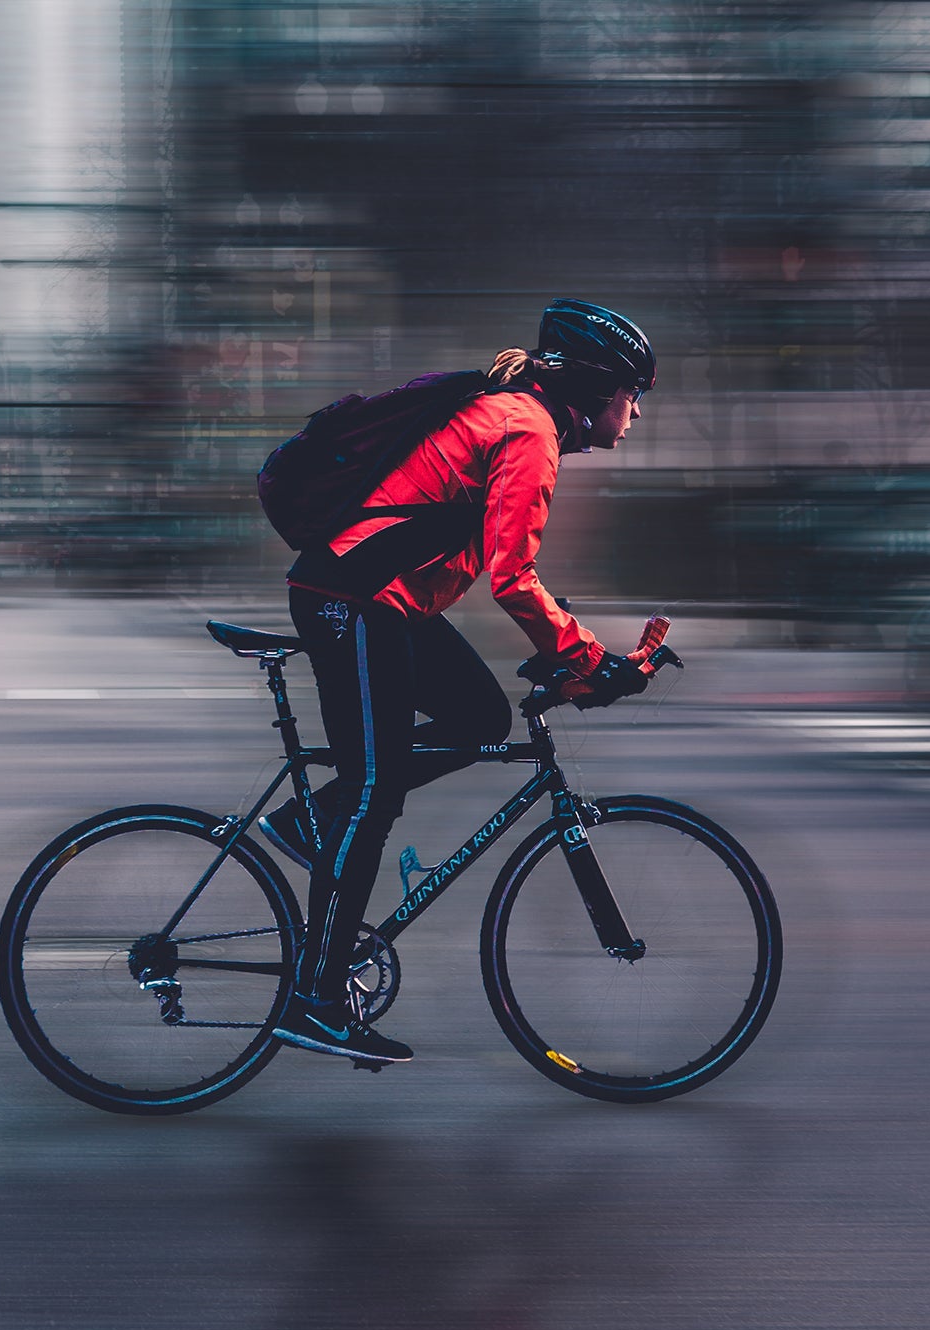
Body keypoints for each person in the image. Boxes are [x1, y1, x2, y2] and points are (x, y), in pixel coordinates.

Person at [262, 298, 659, 1065]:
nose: (637, 410)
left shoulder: (523, 420)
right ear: (601, 386)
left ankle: (315, 820)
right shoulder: (529, 430)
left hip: (383, 599)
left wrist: (569, 648)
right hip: (352, 598)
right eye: (635, 392)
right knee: (375, 796)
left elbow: (495, 563)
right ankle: (315, 998)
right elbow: (513, 577)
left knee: (480, 717)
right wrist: (585, 657)